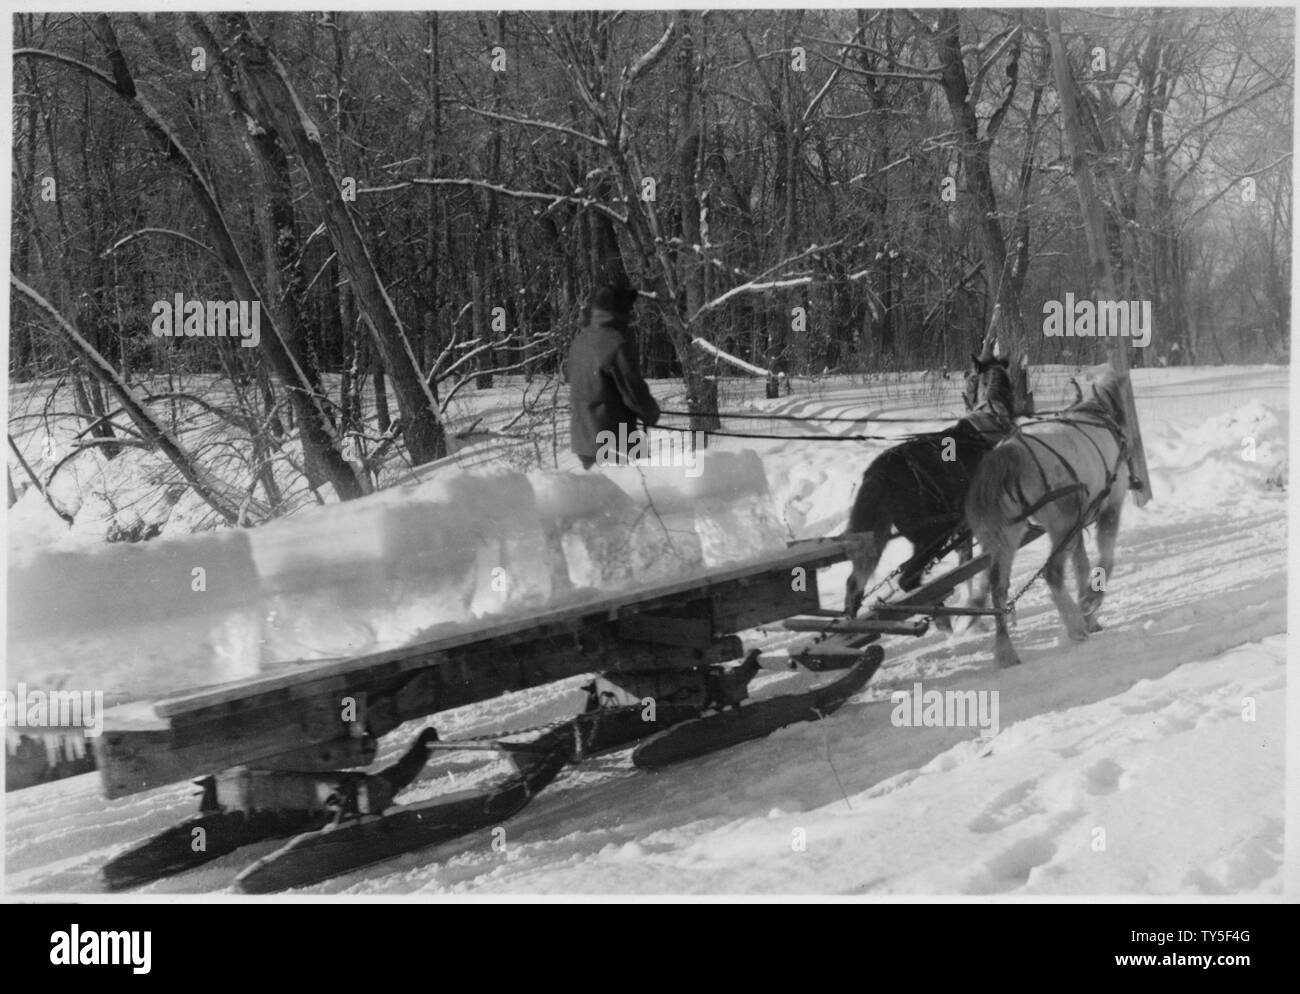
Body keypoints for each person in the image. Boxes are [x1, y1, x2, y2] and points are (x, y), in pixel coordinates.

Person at [568, 284, 660, 469]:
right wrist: (651, 414)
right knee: (638, 495)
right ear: (620, 311)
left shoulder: (580, 340)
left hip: (583, 439)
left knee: (600, 496)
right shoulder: (616, 343)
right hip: (614, 440)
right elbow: (633, 392)